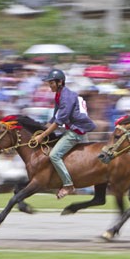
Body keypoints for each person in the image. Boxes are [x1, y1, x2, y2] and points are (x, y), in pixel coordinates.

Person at [34, 69, 96, 199]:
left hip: (75, 131)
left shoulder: (66, 96)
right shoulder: (59, 94)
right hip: (72, 129)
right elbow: (54, 118)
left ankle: (68, 185)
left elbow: (59, 121)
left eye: (51, 83)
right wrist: (40, 130)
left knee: (54, 155)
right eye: (49, 83)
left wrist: (42, 136)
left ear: (60, 82)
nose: (49, 85)